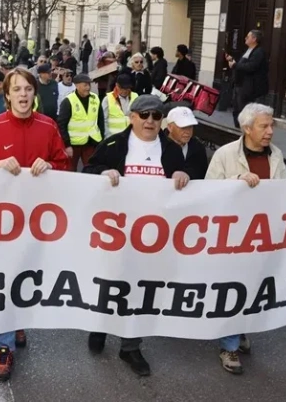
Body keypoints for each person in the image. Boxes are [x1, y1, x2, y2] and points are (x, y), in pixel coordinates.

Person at [0, 68, 68, 382]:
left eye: (28, 89)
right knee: (3, 279)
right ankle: (3, 347)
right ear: (6, 95)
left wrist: (51, 164)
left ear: (33, 94)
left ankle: (18, 319)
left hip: (37, 221)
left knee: (27, 276)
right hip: (1, 223)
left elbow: (65, 165)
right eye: (17, 90)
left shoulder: (48, 126)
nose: (23, 95)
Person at [83, 95, 193, 377]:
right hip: (115, 234)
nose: (150, 121)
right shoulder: (113, 145)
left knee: (141, 291)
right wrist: (103, 172)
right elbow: (88, 171)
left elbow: (188, 182)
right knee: (109, 284)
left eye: (156, 116)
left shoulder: (171, 149)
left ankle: (130, 346)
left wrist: (183, 174)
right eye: (144, 115)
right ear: (132, 117)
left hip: (152, 238)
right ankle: (101, 327)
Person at [205, 103, 286, 374]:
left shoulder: (276, 155)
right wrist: (236, 179)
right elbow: (206, 194)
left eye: (271, 126)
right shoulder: (225, 155)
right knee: (234, 289)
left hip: (263, 238)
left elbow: (281, 195)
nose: (270, 132)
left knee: (253, 288)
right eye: (264, 126)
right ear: (247, 128)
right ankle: (228, 345)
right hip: (232, 238)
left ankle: (239, 330)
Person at [58, 73, 104, 172]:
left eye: (89, 85)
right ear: (77, 85)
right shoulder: (68, 101)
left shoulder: (95, 98)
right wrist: (67, 145)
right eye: (85, 85)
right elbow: (62, 125)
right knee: (70, 171)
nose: (88, 88)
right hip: (74, 144)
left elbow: (100, 120)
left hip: (91, 141)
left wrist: (101, 140)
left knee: (92, 170)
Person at [226, 30, 268, 128]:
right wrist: (233, 61)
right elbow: (242, 65)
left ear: (254, 39)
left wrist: (235, 65)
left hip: (249, 87)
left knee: (244, 109)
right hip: (240, 84)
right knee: (236, 108)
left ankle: (245, 129)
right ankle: (238, 128)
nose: (245, 38)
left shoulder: (259, 52)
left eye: (248, 37)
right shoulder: (248, 50)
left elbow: (251, 67)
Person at [165, 106, 208, 180]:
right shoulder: (158, 146)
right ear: (169, 127)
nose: (187, 131)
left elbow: (203, 175)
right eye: (183, 127)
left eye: (190, 127)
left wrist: (188, 175)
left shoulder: (198, 148)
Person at [102, 73, 137, 138]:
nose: (124, 91)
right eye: (122, 88)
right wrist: (108, 138)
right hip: (114, 138)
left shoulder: (135, 96)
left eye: (127, 88)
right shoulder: (107, 99)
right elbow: (104, 121)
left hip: (131, 137)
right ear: (116, 85)